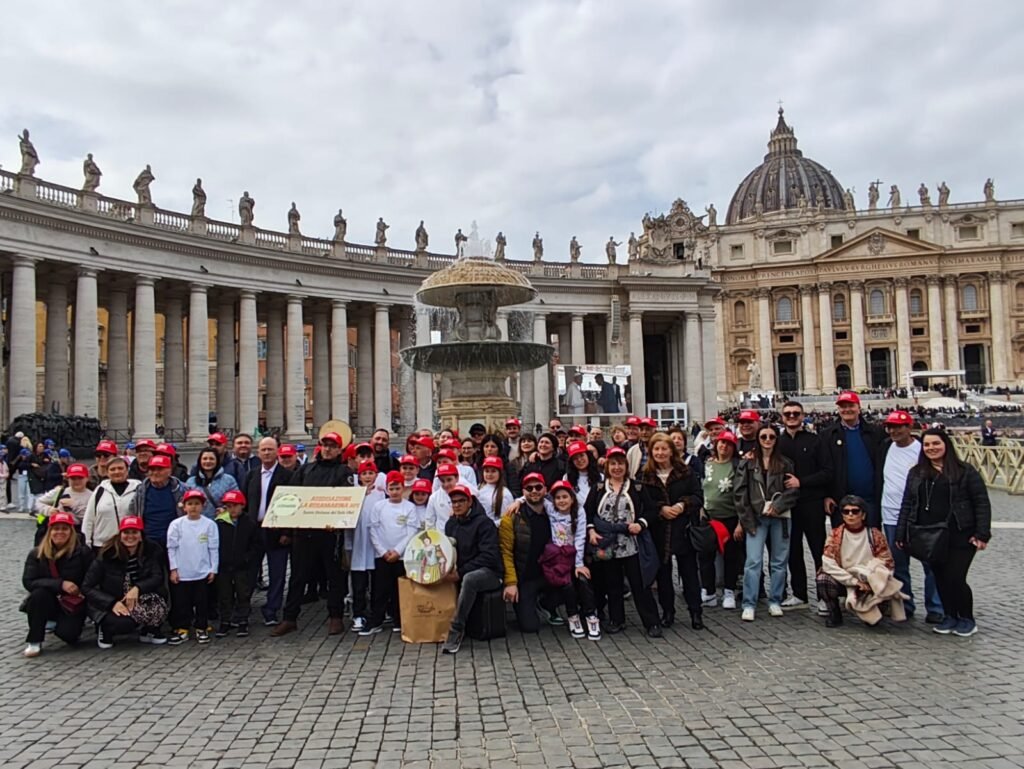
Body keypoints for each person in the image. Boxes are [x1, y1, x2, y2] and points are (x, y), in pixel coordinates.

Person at [895, 429, 991, 637]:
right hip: (929, 535)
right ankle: (949, 616)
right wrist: (901, 533)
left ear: (946, 444)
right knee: (939, 577)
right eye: (927, 445)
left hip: (961, 533)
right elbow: (907, 504)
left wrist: (982, 534)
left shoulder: (965, 471)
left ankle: (966, 618)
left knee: (955, 577)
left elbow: (981, 502)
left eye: (936, 443)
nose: (931, 448)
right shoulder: (916, 472)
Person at [273, 432, 352, 637]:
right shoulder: (306, 470)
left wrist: (338, 522)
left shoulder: (344, 471)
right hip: (304, 532)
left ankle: (335, 616)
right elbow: (291, 497)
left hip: (330, 533)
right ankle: (290, 618)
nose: (328, 449)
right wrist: (287, 529)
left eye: (332, 446)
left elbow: (347, 501)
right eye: (325, 445)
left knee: (334, 576)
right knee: (298, 576)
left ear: (339, 450)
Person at [584, 447, 661, 636]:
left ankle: (652, 622)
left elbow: (652, 511)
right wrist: (591, 530)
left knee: (639, 584)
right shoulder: (598, 488)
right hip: (606, 543)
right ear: (607, 466)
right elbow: (588, 512)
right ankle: (616, 620)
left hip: (632, 544)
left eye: (620, 463)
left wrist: (640, 524)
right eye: (613, 464)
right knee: (613, 585)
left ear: (626, 466)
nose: (616, 468)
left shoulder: (637, 487)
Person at [878, 411, 943, 623]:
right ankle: (904, 604)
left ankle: (936, 607)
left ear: (909, 427)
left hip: (919, 516)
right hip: (890, 514)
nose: (894, 431)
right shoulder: (884, 446)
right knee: (898, 564)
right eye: (891, 427)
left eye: (899, 426)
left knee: (930, 563)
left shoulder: (922, 450)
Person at [639, 433, 705, 630]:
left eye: (664, 449)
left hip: (682, 528)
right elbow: (643, 503)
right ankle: (668, 611)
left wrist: (682, 505)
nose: (660, 453)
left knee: (689, 572)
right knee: (663, 575)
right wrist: (660, 509)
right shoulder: (645, 475)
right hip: (659, 530)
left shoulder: (685, 472)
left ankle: (695, 612)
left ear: (671, 451)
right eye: (656, 449)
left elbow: (698, 496)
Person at [736, 425, 799, 621]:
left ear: (776, 439)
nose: (768, 440)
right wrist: (747, 519)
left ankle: (775, 600)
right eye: (764, 436)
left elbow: (792, 491)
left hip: (780, 516)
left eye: (771, 436)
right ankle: (749, 603)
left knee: (779, 561)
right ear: (758, 439)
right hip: (756, 517)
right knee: (753, 561)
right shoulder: (747, 463)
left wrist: (778, 506)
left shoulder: (785, 463)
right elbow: (740, 493)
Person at [817, 496, 907, 628]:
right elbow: (828, 563)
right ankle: (834, 612)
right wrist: (854, 581)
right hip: (845, 578)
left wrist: (870, 579)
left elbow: (887, 562)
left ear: (863, 515)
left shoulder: (875, 535)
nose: (850, 515)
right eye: (846, 512)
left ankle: (874, 610)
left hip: (869, 579)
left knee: (883, 584)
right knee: (823, 579)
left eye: (855, 511)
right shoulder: (835, 535)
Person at [83, 516, 169, 649]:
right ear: (120, 535)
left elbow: (157, 576)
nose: (130, 536)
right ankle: (104, 629)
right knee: (124, 624)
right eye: (126, 532)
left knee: (160, 600)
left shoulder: (151, 550)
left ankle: (149, 630)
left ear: (141, 536)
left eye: (134, 532)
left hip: (138, 596)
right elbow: (87, 587)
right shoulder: (107, 554)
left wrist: (137, 588)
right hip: (113, 599)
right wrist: (111, 603)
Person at [777, 401, 830, 612]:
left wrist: (802, 482)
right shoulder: (777, 442)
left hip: (812, 501)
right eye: (787, 414)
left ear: (802, 416)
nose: (791, 416)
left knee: (819, 550)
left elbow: (827, 471)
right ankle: (799, 594)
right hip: (788, 505)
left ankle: (825, 595)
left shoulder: (816, 440)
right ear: (782, 417)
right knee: (793, 550)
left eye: (795, 413)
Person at [441, 484, 503, 654]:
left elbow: (489, 557)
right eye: (453, 502)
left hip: (490, 572)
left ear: (470, 502)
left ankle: (456, 630)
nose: (457, 505)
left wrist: (460, 572)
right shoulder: (450, 524)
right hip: (462, 570)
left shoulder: (484, 523)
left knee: (470, 579)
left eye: (461, 501)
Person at [21, 512, 93, 657]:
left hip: (73, 603)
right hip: (47, 598)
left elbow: (91, 579)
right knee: (38, 595)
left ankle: (59, 623)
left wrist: (80, 590)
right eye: (56, 528)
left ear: (71, 532)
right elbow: (29, 581)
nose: (60, 532)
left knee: (69, 635)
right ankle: (34, 641)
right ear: (50, 531)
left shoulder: (83, 552)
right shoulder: (36, 554)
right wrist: (60, 584)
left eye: (65, 529)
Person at [360, 471, 421, 636]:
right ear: (386, 489)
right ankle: (376, 620)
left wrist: (398, 551)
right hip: (382, 555)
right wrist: (382, 551)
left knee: (399, 590)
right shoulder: (379, 506)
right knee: (379, 589)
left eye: (397, 488)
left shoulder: (409, 507)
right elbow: (373, 530)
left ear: (403, 488)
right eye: (391, 488)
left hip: (401, 556)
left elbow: (411, 531)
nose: (394, 492)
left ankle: (399, 619)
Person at [499, 473, 560, 633]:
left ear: (545, 489)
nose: (534, 491)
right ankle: (530, 603)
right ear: (523, 492)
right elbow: (506, 552)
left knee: (573, 585)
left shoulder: (555, 513)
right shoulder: (511, 517)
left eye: (538, 487)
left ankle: (546, 603)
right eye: (529, 488)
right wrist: (511, 583)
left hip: (549, 574)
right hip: (525, 578)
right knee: (530, 626)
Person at [245, 437, 294, 627]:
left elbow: (292, 505)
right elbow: (245, 503)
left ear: (277, 451)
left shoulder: (287, 476)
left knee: (277, 573)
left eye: (270, 449)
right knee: (250, 572)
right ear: (258, 452)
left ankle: (271, 609)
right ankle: (244, 607)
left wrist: (287, 532)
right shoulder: (251, 475)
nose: (266, 453)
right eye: (263, 449)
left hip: (277, 531)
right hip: (254, 530)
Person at [820, 392, 885, 527]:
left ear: (859, 408)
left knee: (872, 537)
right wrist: (827, 495)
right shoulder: (827, 435)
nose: (847, 410)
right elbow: (824, 466)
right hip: (841, 501)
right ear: (838, 410)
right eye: (843, 407)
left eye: (851, 406)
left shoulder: (875, 432)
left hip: (870, 499)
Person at [167, 489, 220, 645]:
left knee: (202, 602)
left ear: (203, 506)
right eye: (190, 504)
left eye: (197, 504)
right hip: (182, 572)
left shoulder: (209, 524)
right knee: (182, 603)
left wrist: (213, 569)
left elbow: (213, 548)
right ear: (184, 507)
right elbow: (171, 548)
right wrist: (173, 569)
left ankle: (201, 627)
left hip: (202, 572)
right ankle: (182, 628)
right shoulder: (176, 525)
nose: (193, 507)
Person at [548, 480, 598, 640]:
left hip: (575, 555)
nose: (561, 501)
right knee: (567, 585)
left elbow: (580, 538)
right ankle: (572, 615)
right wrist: (519, 501)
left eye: (565, 497)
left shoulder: (579, 512)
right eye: (558, 498)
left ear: (572, 498)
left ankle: (591, 615)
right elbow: (535, 497)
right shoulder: (550, 509)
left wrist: (578, 564)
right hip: (558, 559)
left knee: (583, 580)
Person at [699, 431, 744, 610]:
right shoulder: (707, 464)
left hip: (730, 518)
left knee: (731, 557)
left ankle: (729, 591)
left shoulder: (737, 466)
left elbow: (743, 495)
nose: (724, 447)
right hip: (709, 518)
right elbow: (702, 487)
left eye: (728, 444)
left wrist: (741, 522)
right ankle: (709, 592)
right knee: (705, 556)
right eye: (721, 443)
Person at [215, 489, 259, 638]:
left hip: (242, 566)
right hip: (224, 566)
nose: (232, 509)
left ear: (242, 506)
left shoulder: (249, 523)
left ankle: (243, 621)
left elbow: (256, 544)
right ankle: (225, 621)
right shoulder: (220, 522)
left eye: (235, 506)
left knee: (243, 594)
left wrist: (247, 558)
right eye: (229, 506)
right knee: (224, 595)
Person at [347, 461, 385, 632]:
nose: (368, 477)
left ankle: (377, 613)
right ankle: (358, 614)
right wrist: (348, 545)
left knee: (376, 581)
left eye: (371, 473)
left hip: (376, 544)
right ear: (359, 476)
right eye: (364, 474)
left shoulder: (381, 495)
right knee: (359, 583)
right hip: (358, 543)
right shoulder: (354, 495)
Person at [81, 457, 141, 550]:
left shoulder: (138, 489)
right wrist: (86, 543)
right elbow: (89, 519)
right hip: (102, 545)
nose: (117, 472)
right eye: (112, 469)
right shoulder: (100, 490)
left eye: (120, 468)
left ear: (127, 470)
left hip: (131, 544)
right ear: (107, 472)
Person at [128, 454, 184, 550]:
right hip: (148, 542)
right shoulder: (140, 491)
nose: (155, 473)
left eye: (159, 469)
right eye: (152, 469)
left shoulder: (181, 490)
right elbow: (133, 512)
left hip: (175, 541)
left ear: (169, 471)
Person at [34, 462, 92, 531]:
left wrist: (74, 505)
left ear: (87, 478)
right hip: (57, 530)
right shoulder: (60, 491)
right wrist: (48, 510)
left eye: (80, 478)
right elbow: (38, 502)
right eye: (73, 478)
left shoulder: (92, 496)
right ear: (68, 479)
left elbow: (90, 520)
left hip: (79, 532)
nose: (76, 481)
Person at [477, 456, 514, 525]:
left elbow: (506, 519)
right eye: (487, 471)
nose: (489, 474)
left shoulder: (505, 493)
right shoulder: (479, 487)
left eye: (493, 471)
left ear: (500, 473)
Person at [566, 440, 602, 510]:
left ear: (588, 455)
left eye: (581, 455)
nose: (579, 460)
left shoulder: (601, 477)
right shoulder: (566, 478)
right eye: (575, 458)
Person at [507, 433, 535, 498]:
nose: (526, 443)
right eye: (523, 441)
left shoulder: (538, 459)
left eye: (529, 441)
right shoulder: (513, 463)